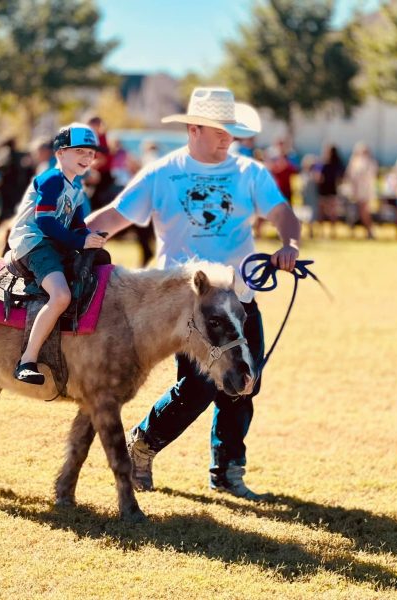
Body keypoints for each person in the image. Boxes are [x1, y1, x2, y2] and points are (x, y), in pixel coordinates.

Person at [86, 87, 300, 499]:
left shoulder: (249, 173)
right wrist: (69, 237)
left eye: (231, 131)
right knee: (198, 389)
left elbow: (282, 213)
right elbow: (114, 215)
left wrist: (289, 245)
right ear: (194, 128)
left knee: (243, 382)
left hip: (239, 298)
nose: (227, 139)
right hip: (188, 306)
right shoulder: (163, 173)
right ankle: (142, 446)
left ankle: (227, 471)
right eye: (219, 130)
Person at [8, 123, 107, 385]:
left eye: (91, 153)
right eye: (80, 152)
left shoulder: (77, 188)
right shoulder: (52, 179)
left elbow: (76, 224)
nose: (87, 158)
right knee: (61, 295)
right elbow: (46, 222)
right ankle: (27, 359)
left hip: (54, 242)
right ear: (60, 153)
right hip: (35, 242)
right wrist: (79, 240)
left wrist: (88, 237)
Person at [344, 142, 378, 239]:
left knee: (364, 212)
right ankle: (365, 231)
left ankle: (370, 231)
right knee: (357, 212)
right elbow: (350, 176)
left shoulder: (367, 163)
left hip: (364, 191)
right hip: (358, 191)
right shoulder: (355, 162)